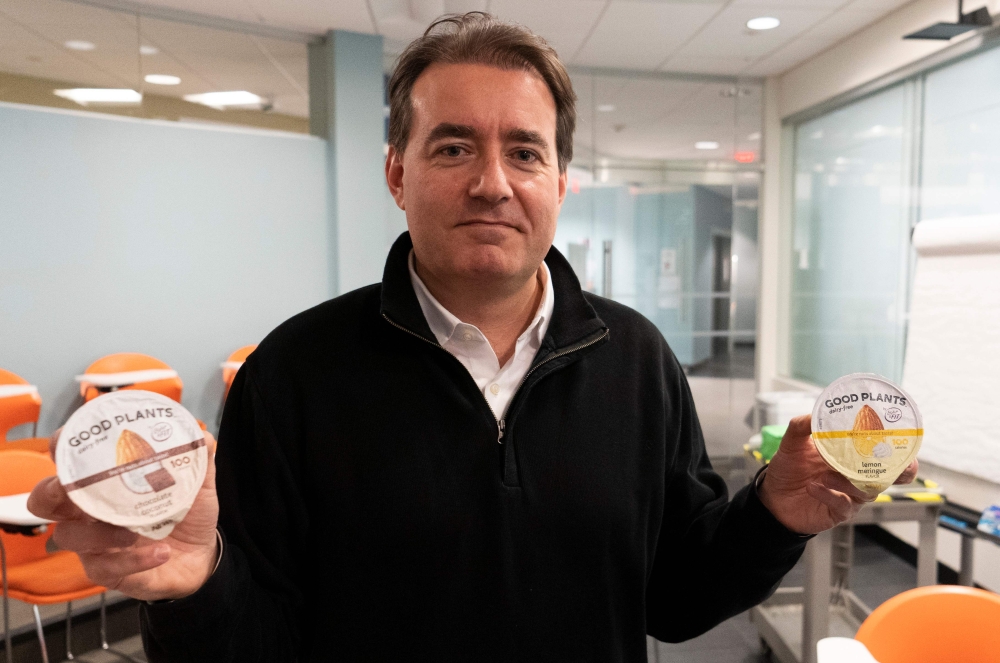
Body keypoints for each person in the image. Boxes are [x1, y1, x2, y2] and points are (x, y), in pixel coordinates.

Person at [28, 12, 918, 661]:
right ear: (396, 171)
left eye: (525, 152)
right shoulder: (294, 372)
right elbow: (260, 640)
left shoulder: (639, 361)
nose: (493, 182)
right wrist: (200, 582)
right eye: (453, 148)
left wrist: (772, 515)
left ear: (561, 182)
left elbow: (677, 600)